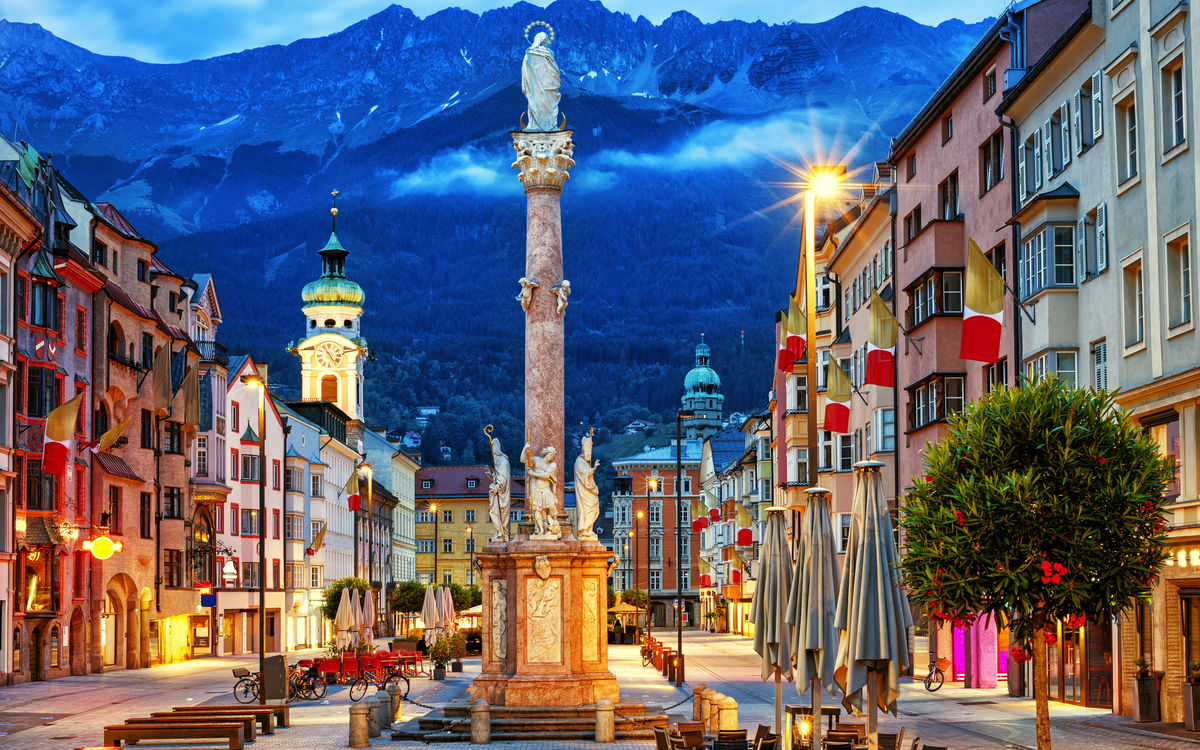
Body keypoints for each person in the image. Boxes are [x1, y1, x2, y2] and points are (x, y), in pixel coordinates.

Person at [521, 31, 560, 132]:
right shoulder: (548, 53)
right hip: (547, 85)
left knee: (535, 104)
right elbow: (553, 71)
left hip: (534, 87)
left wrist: (526, 84)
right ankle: (547, 125)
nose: (547, 42)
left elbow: (525, 73)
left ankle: (537, 125)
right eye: (545, 40)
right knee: (546, 105)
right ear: (542, 40)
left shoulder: (529, 54)